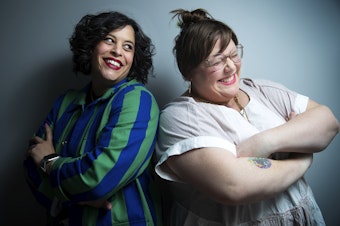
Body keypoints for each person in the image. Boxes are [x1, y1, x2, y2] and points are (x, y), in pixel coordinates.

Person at [154, 8, 339, 226]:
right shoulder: (180, 117)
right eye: (217, 61)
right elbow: (234, 185)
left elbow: (328, 123)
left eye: (233, 55)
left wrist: (264, 142)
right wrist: (302, 158)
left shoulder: (261, 89)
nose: (231, 67)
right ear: (189, 71)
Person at [24, 11, 162, 225]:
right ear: (91, 45)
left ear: (134, 60)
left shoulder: (138, 101)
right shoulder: (65, 102)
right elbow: (31, 165)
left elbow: (99, 180)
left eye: (128, 47)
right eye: (109, 40)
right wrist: (73, 200)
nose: (117, 51)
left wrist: (49, 162)